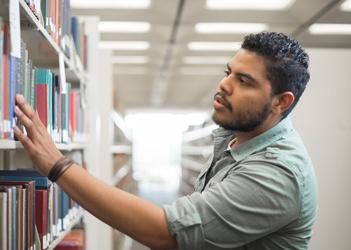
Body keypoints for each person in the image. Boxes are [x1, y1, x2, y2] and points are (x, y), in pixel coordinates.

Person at [13, 32, 317, 250]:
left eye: (244, 81)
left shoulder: (277, 172)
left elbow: (166, 233)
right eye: (228, 73)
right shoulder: (233, 137)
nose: (224, 84)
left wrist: (59, 166)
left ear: (280, 102)